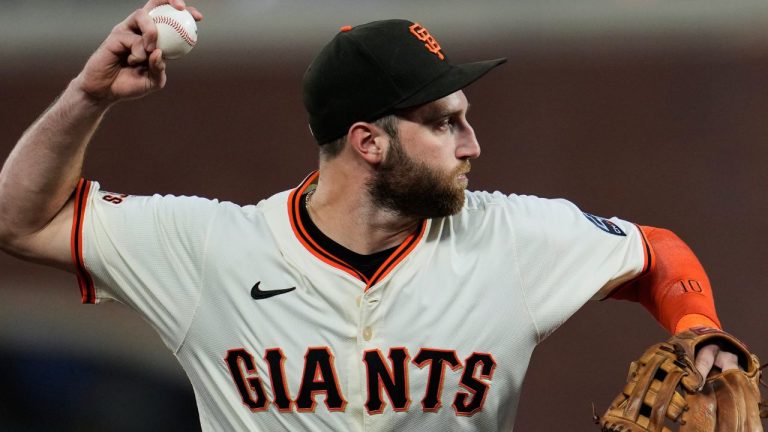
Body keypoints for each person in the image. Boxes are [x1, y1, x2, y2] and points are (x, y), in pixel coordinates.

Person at [0, 0, 741, 430]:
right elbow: (21, 221)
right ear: (369, 142)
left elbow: (654, 252)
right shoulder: (210, 251)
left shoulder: (508, 237)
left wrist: (698, 327)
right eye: (445, 123)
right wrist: (86, 97)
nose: (472, 145)